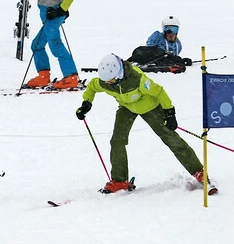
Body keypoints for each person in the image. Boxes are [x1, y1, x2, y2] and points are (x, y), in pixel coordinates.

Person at [75, 54, 215, 194]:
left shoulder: (138, 80)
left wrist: (170, 113)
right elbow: (92, 87)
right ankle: (119, 181)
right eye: (106, 81)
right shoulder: (105, 82)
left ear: (119, 74)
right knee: (117, 140)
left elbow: (159, 92)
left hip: (150, 108)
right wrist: (86, 103)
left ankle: (198, 171)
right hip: (127, 108)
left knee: (170, 137)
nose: (108, 83)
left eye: (111, 80)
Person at [26, 0, 79, 89]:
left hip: (53, 17)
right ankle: (43, 76)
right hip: (48, 17)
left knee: (55, 45)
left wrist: (60, 10)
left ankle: (71, 77)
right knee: (36, 45)